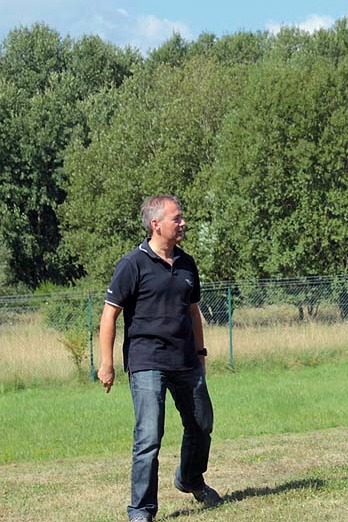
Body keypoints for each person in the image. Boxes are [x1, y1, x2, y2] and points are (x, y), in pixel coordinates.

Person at [98, 194, 222, 522]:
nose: (183, 224)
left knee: (201, 423)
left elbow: (194, 312)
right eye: (176, 219)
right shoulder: (132, 264)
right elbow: (110, 314)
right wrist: (106, 363)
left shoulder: (186, 263)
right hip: (146, 360)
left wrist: (200, 352)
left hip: (185, 360)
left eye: (181, 218)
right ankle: (141, 510)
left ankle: (190, 479)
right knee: (149, 436)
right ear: (156, 224)